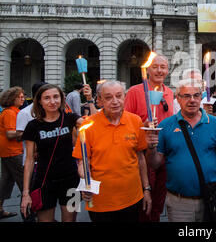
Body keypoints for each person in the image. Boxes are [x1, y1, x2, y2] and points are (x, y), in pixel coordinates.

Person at [146, 78, 216, 222]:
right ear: (178, 99)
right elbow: (154, 163)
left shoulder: (214, 123)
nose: (192, 100)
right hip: (179, 202)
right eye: (186, 96)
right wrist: (150, 147)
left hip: (212, 198)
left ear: (201, 97)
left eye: (196, 95)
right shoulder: (166, 125)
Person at [73, 81, 151, 222]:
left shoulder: (135, 121)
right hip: (101, 201)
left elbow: (140, 158)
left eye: (119, 96)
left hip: (132, 198)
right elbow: (83, 162)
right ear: (99, 100)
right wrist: (86, 182)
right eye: (108, 97)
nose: (115, 102)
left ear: (124, 97)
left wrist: (146, 189)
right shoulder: (88, 125)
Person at [20, 84, 84, 222]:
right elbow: (29, 160)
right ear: (39, 101)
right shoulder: (33, 126)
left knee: (70, 220)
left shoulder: (70, 118)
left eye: (56, 97)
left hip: (71, 180)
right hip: (44, 181)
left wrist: (90, 101)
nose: (52, 101)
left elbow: (91, 124)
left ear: (62, 99)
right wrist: (25, 193)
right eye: (47, 98)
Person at [124, 54, 173, 222]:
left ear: (168, 70)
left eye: (163, 67)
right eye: (155, 66)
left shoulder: (170, 93)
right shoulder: (134, 91)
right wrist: (142, 125)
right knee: (145, 203)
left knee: (159, 200)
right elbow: (125, 123)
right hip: (143, 154)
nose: (159, 70)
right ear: (148, 70)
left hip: (165, 153)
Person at [0, 86, 25, 219]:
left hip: (7, 151)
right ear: (12, 98)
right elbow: (10, 133)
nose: (22, 98)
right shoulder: (10, 113)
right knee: (25, 182)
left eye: (22, 95)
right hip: (12, 151)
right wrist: (27, 132)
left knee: (6, 181)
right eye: (19, 96)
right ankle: (29, 211)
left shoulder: (11, 111)